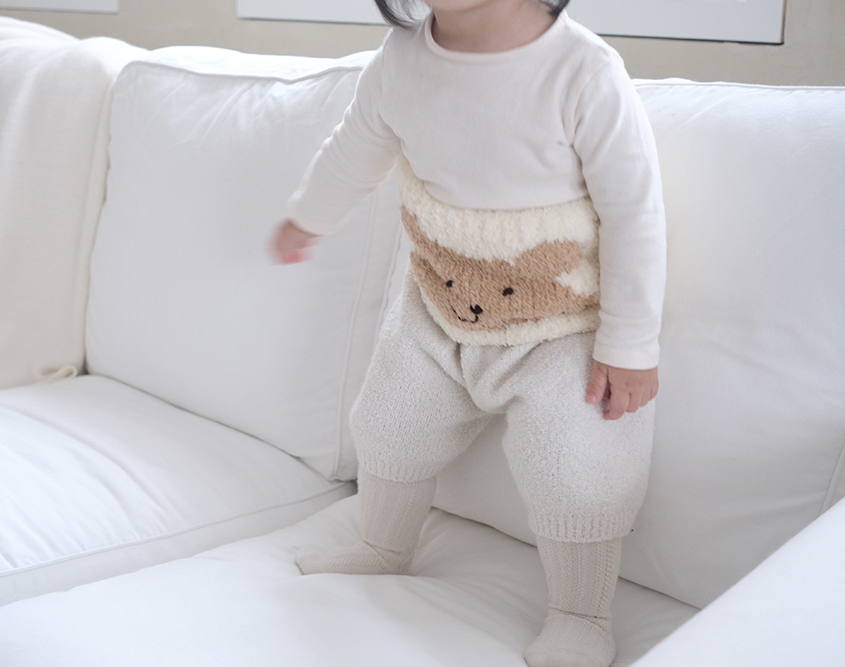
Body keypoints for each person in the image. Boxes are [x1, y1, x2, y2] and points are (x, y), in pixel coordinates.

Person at [270, 1, 665, 665]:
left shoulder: (583, 70)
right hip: (439, 306)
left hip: (560, 324)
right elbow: (355, 148)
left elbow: (635, 212)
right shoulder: (401, 60)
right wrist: (309, 216)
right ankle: (382, 545)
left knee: (577, 464)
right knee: (389, 422)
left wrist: (629, 345)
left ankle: (581, 612)